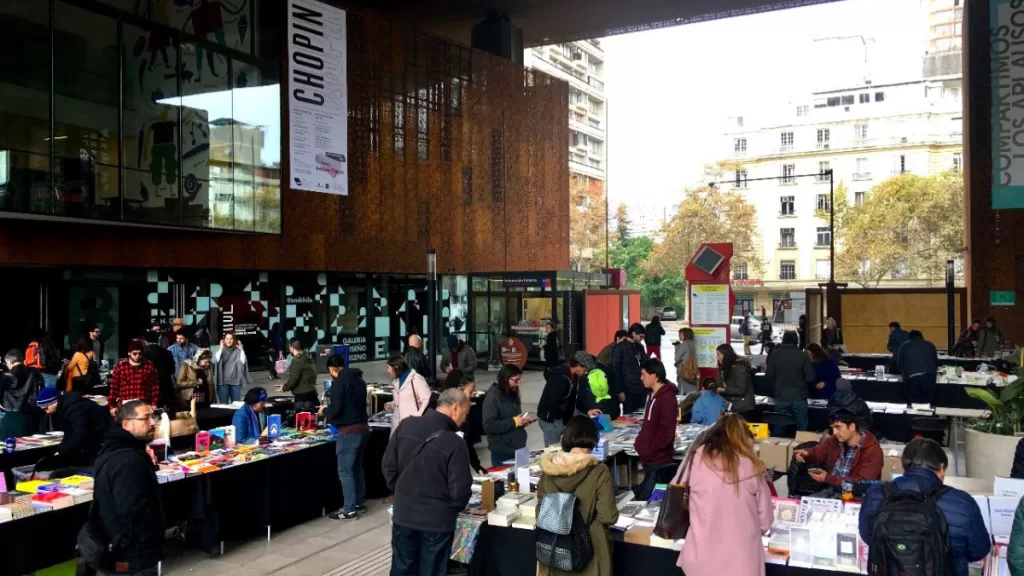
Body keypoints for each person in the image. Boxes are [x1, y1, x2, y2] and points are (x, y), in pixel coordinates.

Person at [859, 438, 990, 576]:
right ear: (940, 468)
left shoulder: (877, 493)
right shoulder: (962, 502)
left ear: (905, 465)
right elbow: (979, 550)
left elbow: (868, 536)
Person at [383, 388, 473, 576]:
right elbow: (460, 492)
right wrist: (451, 507)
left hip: (404, 514)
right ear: (455, 408)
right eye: (465, 414)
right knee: (431, 570)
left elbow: (388, 466)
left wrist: (399, 492)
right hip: (436, 523)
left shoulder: (406, 425)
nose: (464, 420)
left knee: (402, 567)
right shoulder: (455, 443)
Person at [675, 414, 773, 576]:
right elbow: (765, 521)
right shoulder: (753, 468)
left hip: (700, 556)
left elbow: (676, 488)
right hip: (742, 560)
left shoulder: (695, 459)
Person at [537, 416, 619, 576]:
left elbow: (540, 514)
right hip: (591, 554)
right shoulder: (599, 472)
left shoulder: (549, 470)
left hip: (555, 552)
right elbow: (608, 516)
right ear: (593, 439)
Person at [90, 400, 164, 576]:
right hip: (132, 554)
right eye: (146, 418)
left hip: (120, 547)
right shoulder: (128, 461)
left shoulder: (114, 449)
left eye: (152, 417)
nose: (153, 422)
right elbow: (132, 508)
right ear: (126, 424)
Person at [321, 354, 370, 518]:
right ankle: (358, 502)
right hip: (363, 428)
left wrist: (325, 411)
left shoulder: (338, 384)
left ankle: (349, 509)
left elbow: (335, 410)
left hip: (349, 432)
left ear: (331, 369)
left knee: (345, 471)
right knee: (357, 467)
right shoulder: (359, 380)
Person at [793, 409, 882, 497]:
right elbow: (818, 452)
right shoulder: (833, 441)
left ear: (852, 427)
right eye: (833, 428)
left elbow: (862, 483)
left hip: (857, 497)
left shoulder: (872, 450)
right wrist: (807, 453)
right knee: (803, 506)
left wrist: (828, 478)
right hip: (832, 492)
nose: (834, 432)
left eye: (838, 427)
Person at [632, 358, 679, 500]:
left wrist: (653, 449)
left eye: (643, 374)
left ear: (654, 375)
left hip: (658, 459)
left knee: (653, 499)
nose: (641, 378)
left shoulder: (667, 398)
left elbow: (667, 430)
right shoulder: (651, 395)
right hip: (648, 458)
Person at [36, 387, 111, 468]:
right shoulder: (65, 406)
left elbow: (79, 433)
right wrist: (61, 450)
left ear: (55, 402)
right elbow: (69, 432)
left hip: (102, 442)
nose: (47, 411)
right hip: (94, 441)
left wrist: (63, 451)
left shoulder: (75, 409)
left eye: (47, 408)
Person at [482, 364, 533, 466]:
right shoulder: (493, 398)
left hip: (519, 448)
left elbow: (512, 418)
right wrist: (514, 421)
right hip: (503, 452)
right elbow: (489, 425)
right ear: (505, 379)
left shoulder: (512, 393)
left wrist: (522, 421)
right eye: (515, 380)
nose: (518, 383)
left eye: (519, 380)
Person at [765, 331, 815, 431]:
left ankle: (778, 446)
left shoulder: (775, 355)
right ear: (796, 341)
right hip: (799, 397)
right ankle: (802, 445)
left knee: (779, 427)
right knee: (802, 429)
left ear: (783, 340)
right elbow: (810, 377)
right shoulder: (803, 356)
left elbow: (769, 375)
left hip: (781, 396)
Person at [441, 370, 487, 475]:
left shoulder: (464, 414)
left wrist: (477, 465)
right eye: (470, 392)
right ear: (459, 391)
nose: (472, 395)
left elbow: (467, 441)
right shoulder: (444, 416)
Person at [107, 340, 160, 413]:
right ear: (129, 353)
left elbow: (155, 387)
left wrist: (154, 404)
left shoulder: (149, 366)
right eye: (134, 354)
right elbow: (114, 387)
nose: (137, 356)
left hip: (143, 405)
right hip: (125, 406)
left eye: (140, 353)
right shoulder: (121, 366)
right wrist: (112, 406)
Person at [0, 349, 44, 437]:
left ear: (9, 361)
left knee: (9, 443)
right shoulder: (35, 372)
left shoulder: (7, 375)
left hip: (11, 414)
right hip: (33, 412)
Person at [385, 355, 430, 434]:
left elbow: (427, 399)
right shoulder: (396, 381)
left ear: (396, 367)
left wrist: (417, 415)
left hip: (412, 425)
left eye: (389, 368)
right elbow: (402, 400)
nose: (387, 371)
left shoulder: (416, 379)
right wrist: (391, 405)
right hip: (397, 425)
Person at [897, 330, 938, 405]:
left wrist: (904, 374)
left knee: (915, 401)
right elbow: (936, 362)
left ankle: (917, 415)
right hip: (929, 377)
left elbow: (899, 364)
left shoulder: (904, 346)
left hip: (912, 377)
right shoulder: (930, 345)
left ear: (909, 338)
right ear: (921, 337)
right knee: (927, 401)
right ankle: (926, 415)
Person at [613, 323, 647, 415]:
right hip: (628, 390)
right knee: (629, 416)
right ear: (633, 334)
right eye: (640, 336)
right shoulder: (619, 348)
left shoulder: (640, 347)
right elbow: (616, 370)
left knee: (643, 415)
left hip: (642, 388)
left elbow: (646, 364)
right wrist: (620, 390)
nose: (642, 339)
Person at [716, 344, 755, 418]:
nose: (717, 357)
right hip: (731, 406)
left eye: (718, 355)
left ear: (725, 355)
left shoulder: (739, 368)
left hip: (743, 408)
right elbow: (720, 384)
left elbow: (741, 390)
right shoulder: (724, 368)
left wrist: (723, 390)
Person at [280, 339, 317, 412]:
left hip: (302, 398)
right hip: (312, 393)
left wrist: (284, 387)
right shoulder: (308, 357)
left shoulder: (297, 361)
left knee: (302, 420)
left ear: (292, 347)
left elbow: (293, 380)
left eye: (289, 347)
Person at [142, 332, 176, 410]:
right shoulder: (167, 352)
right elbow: (172, 370)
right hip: (166, 387)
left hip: (149, 388)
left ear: (145, 341)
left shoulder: (142, 354)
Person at [214, 332, 249, 404]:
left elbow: (243, 362)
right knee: (223, 404)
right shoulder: (220, 349)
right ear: (224, 340)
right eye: (227, 339)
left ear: (234, 340)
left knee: (236, 404)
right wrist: (221, 347)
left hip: (236, 381)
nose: (229, 341)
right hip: (223, 381)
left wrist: (241, 350)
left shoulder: (238, 350)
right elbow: (215, 360)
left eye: (231, 339)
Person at [674, 327, 699, 393]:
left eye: (681, 334)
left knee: (682, 388)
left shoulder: (684, 344)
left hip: (684, 369)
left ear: (686, 334)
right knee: (691, 388)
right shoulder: (693, 343)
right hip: (691, 369)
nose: (679, 335)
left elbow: (676, 358)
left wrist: (677, 347)